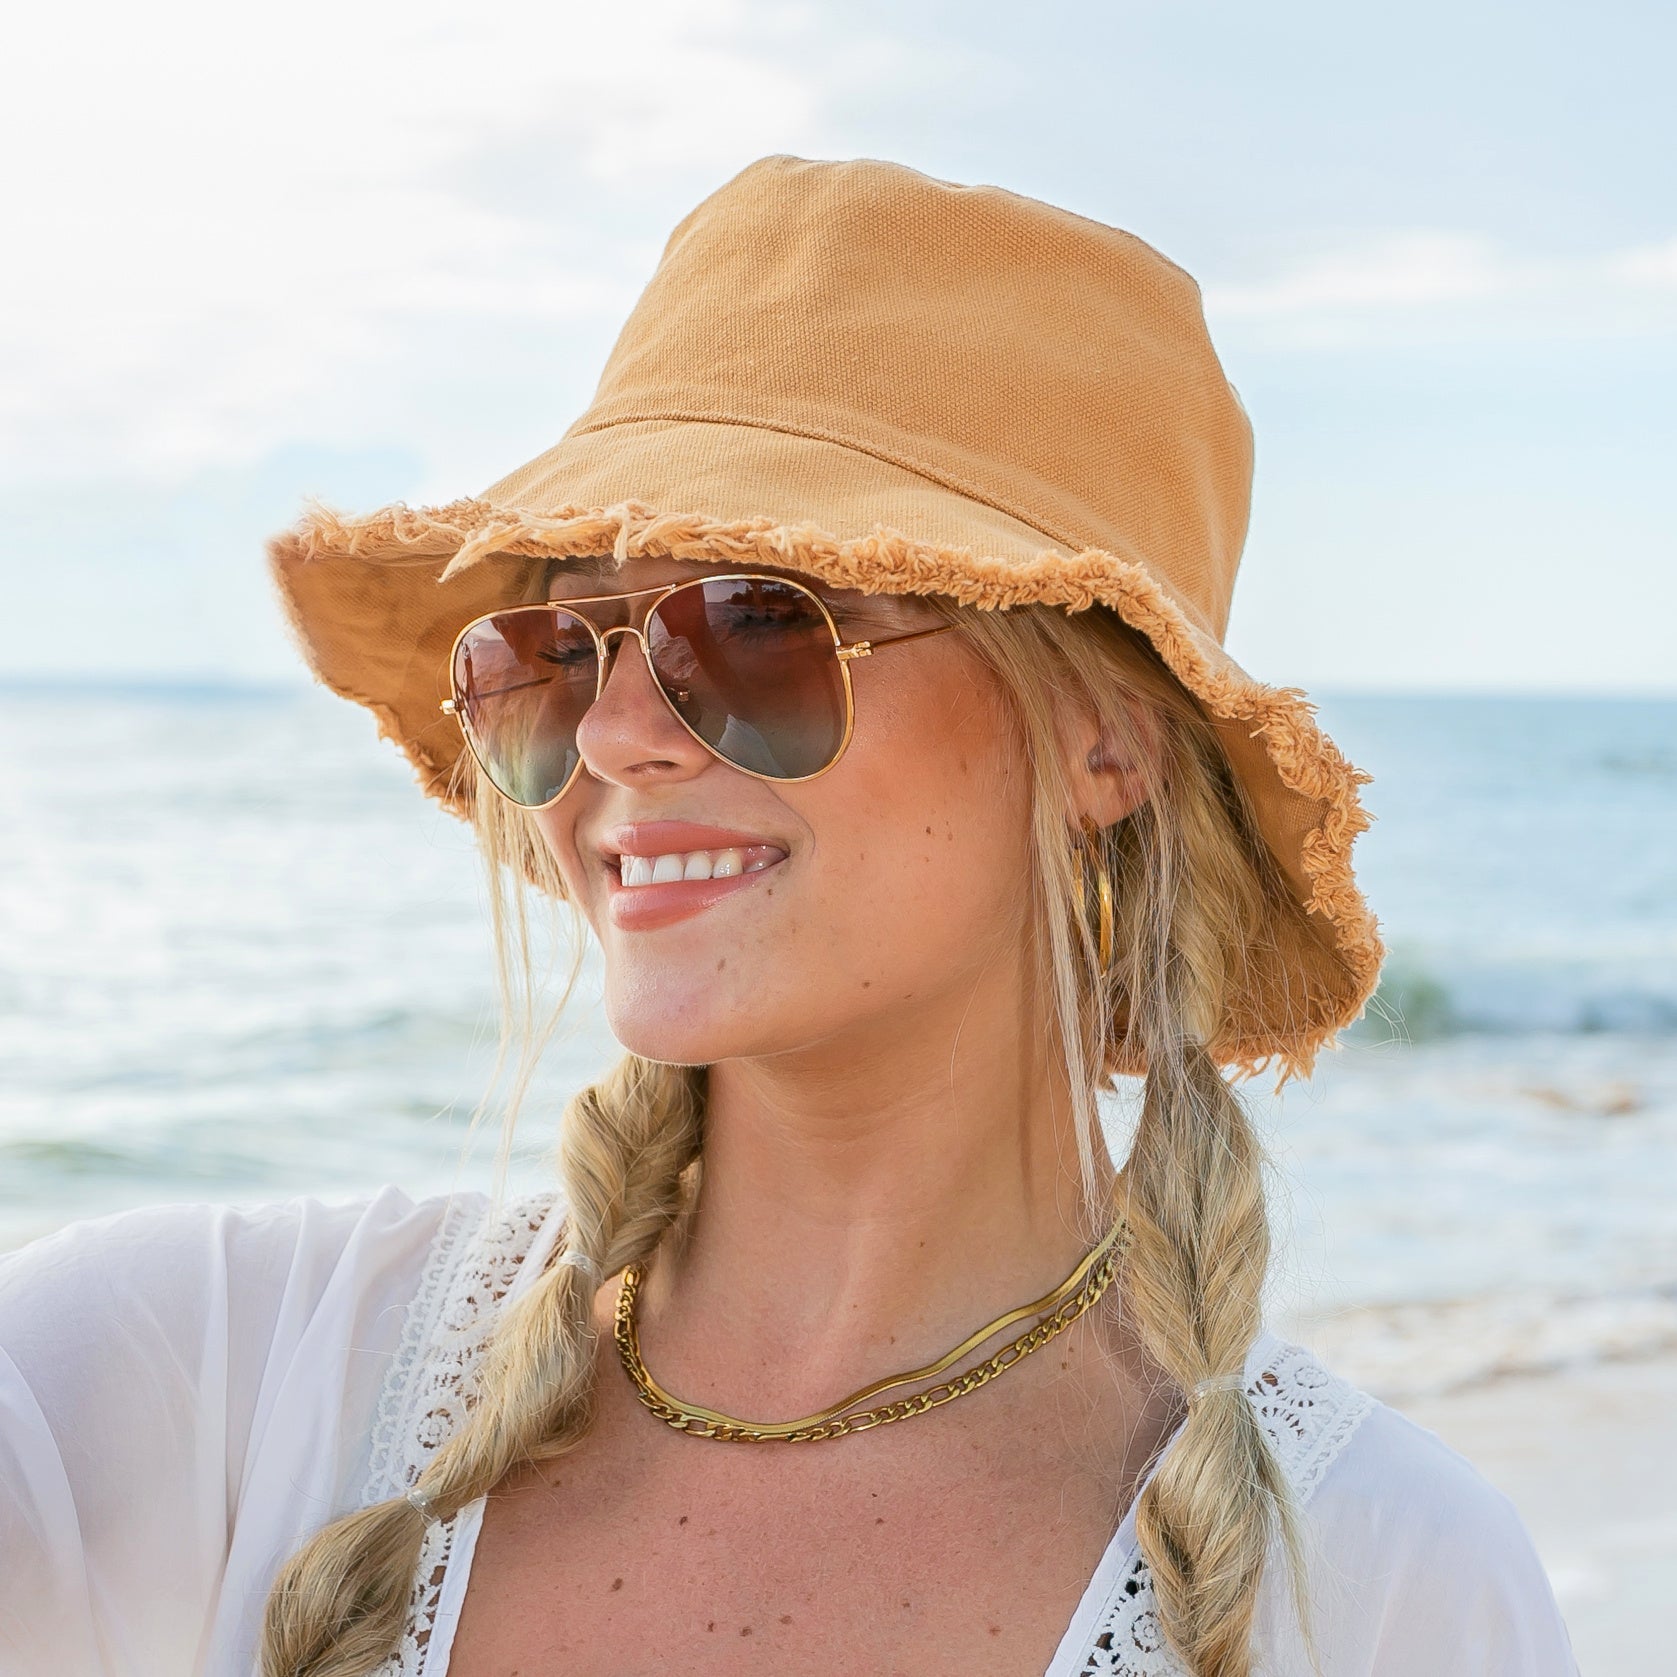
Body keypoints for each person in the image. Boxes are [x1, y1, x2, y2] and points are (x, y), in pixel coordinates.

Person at [0, 155, 1578, 1677]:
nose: (619, 736)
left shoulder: (1384, 1586)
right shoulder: (214, 1374)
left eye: (755, 623)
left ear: (1104, 735)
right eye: (556, 650)